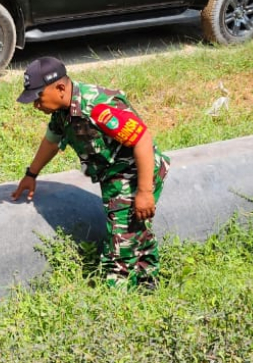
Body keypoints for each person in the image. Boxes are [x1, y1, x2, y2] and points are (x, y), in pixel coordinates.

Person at [11, 57, 171, 290]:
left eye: (38, 97)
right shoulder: (61, 113)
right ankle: (148, 284)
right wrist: (31, 174)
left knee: (121, 242)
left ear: (60, 88)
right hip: (114, 176)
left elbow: (142, 140)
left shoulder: (97, 107)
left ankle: (116, 304)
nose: (36, 105)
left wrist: (144, 191)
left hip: (136, 172)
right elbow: (51, 142)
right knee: (136, 232)